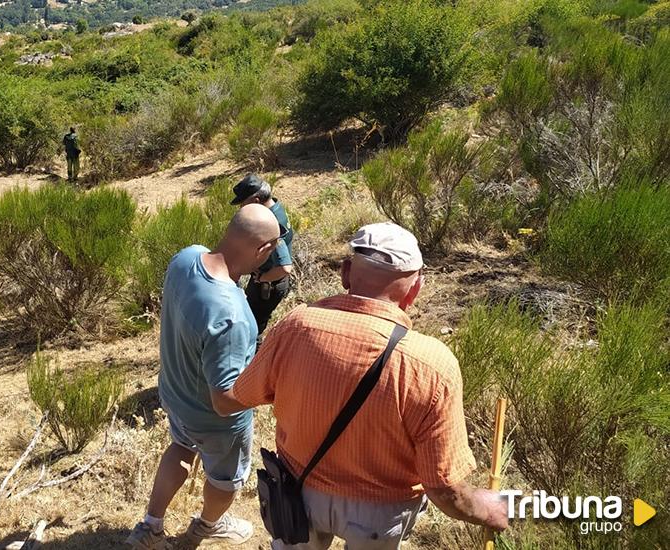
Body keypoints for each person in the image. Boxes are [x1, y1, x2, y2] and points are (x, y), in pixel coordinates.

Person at [217, 222, 509, 550]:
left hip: (296, 494)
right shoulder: (433, 364)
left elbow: (235, 398)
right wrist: (487, 509)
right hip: (380, 512)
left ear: (345, 273)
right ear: (415, 290)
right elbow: (443, 488)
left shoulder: (296, 327)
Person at [126, 204, 286, 550]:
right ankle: (209, 526)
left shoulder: (186, 257)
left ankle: (150, 528)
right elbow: (224, 402)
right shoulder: (233, 316)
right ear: (263, 250)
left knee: (181, 447)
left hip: (175, 393)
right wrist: (273, 389)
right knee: (225, 480)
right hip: (214, 422)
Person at [230, 174, 294, 345]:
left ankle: (254, 366)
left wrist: (261, 278)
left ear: (256, 200)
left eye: (243, 204)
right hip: (270, 281)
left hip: (269, 284)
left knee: (252, 330)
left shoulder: (271, 223)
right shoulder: (276, 208)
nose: (241, 209)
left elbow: (285, 267)